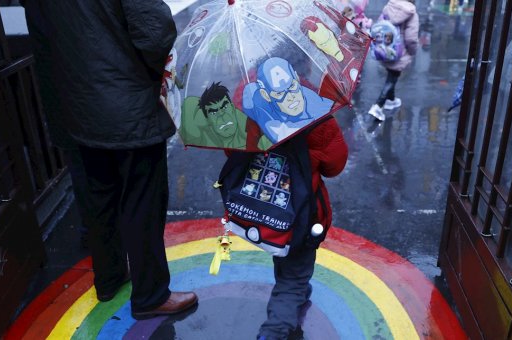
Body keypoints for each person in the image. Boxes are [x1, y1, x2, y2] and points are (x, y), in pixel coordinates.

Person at [22, 0, 198, 320]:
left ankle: (109, 278)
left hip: (73, 102)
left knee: (97, 197)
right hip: (125, 101)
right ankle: (151, 295)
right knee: (142, 202)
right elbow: (154, 31)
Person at [256, 116, 349, 339]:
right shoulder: (313, 110)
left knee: (281, 251)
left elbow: (232, 150)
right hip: (301, 213)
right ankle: (273, 332)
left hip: (263, 206)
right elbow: (335, 164)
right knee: (294, 275)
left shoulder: (246, 100)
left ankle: (296, 291)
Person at [367, 0, 419, 121]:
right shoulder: (411, 13)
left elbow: (379, 26)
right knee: (392, 78)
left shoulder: (389, 6)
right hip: (400, 52)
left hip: (386, 49)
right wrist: (412, 52)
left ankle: (391, 100)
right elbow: (411, 39)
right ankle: (378, 106)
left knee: (392, 75)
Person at [180, 82, 272, 150]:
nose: (222, 115)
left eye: (224, 107)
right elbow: (189, 103)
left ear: (232, 107)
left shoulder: (256, 130)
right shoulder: (208, 135)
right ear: (207, 119)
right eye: (214, 112)